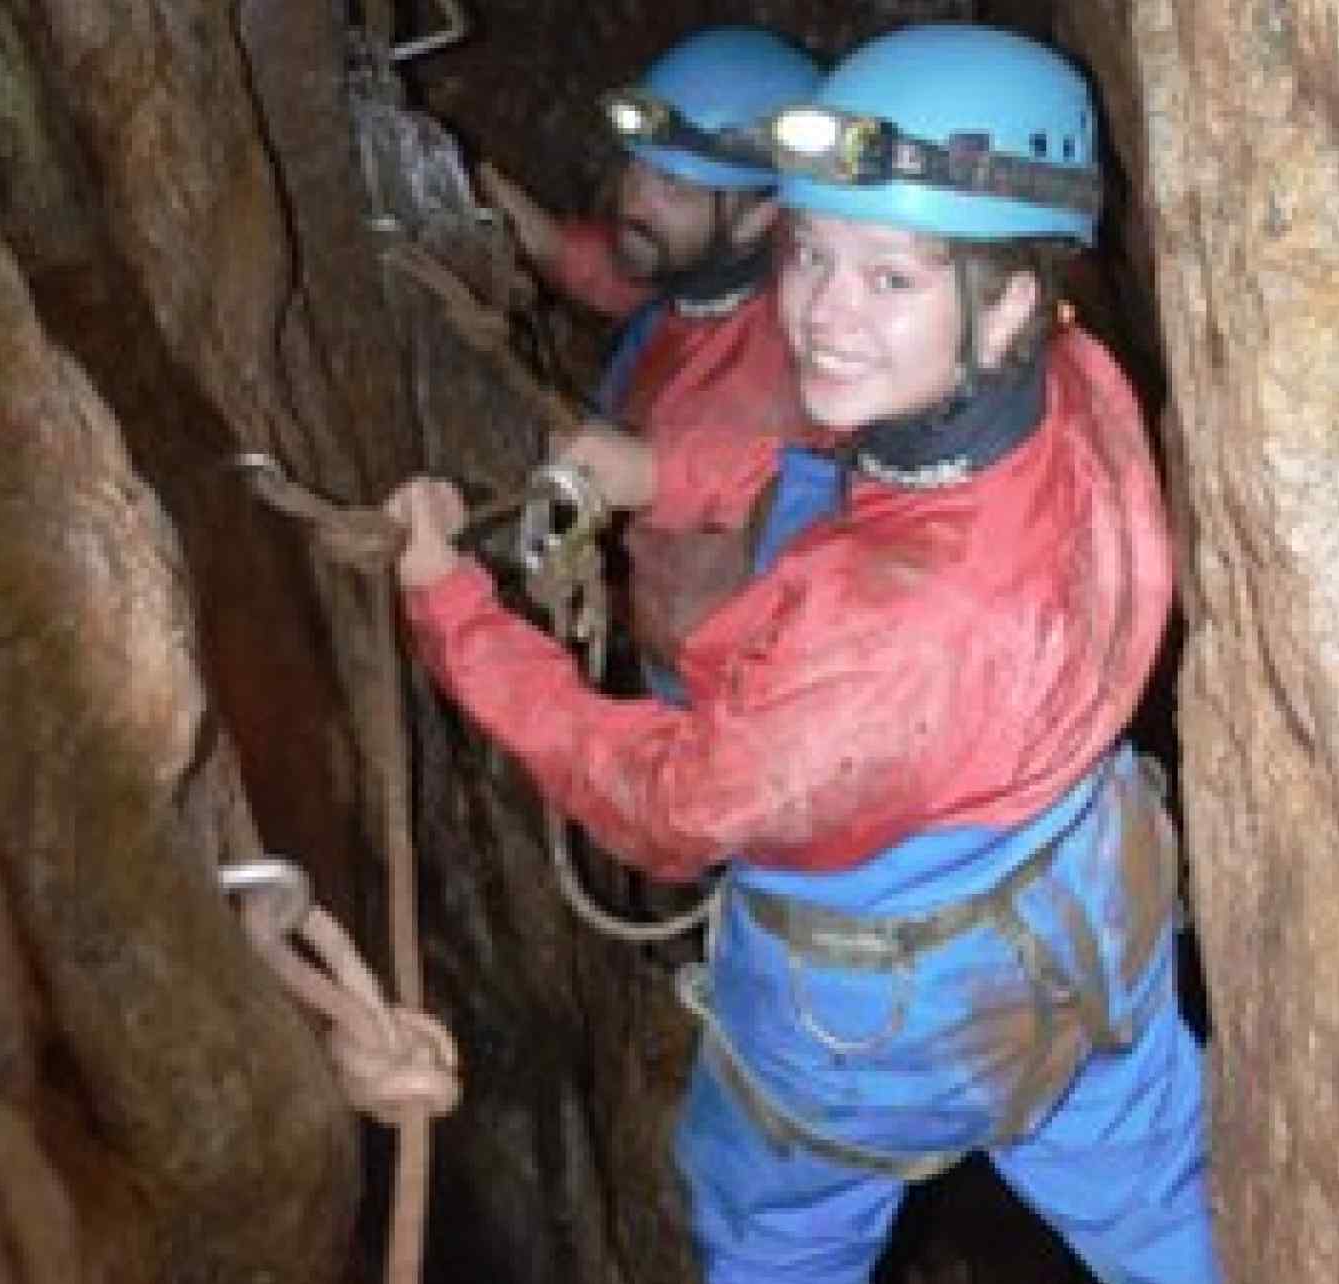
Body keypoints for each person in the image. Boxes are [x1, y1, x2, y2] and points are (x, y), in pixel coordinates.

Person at [391, 23, 1218, 1284]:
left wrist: (457, 616)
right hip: (1090, 896)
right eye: (813, 254)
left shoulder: (882, 636)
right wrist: (668, 471)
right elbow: (864, 474)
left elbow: (669, 803)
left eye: (890, 279)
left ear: (1001, 301)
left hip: (884, 1019)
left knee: (777, 1238)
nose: (821, 315)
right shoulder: (1071, 378)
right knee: (1162, 1212)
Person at [479, 25, 821, 679]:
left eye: (676, 190)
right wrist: (534, 234)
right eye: (637, 169)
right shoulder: (715, 283)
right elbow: (630, 279)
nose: (635, 200)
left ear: (759, 216)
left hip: (718, 690)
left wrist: (648, 474)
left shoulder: (773, 383)